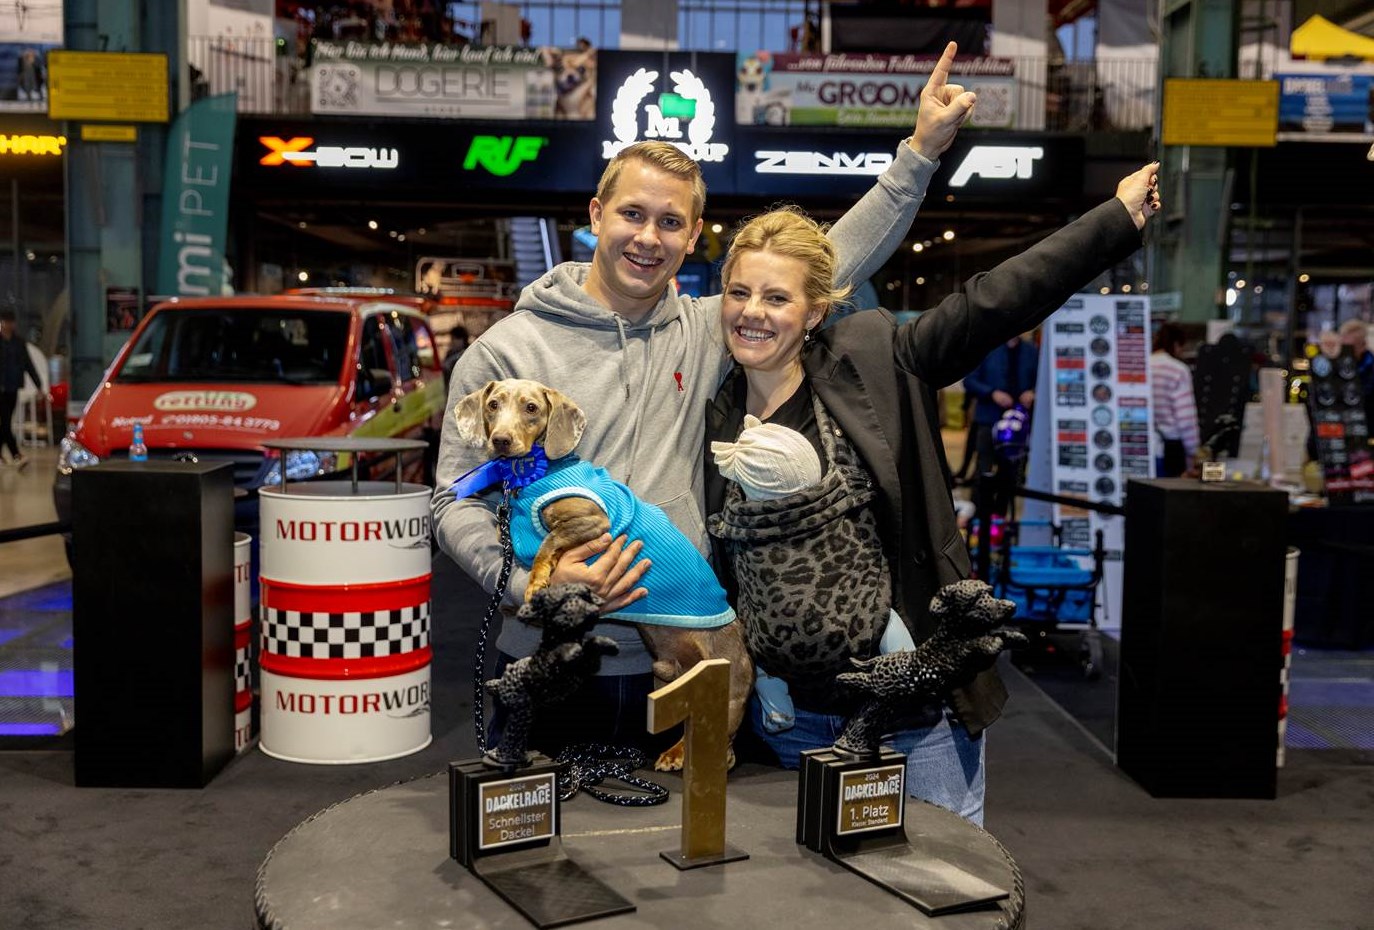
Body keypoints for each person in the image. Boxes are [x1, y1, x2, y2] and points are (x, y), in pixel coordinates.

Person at [433, 43, 978, 754]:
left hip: (686, 654)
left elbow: (823, 264)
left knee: (689, 827)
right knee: (537, 826)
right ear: (597, 214)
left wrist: (918, 156)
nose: (647, 238)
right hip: (549, 655)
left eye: (670, 222)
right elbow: (454, 501)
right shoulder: (505, 353)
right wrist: (526, 586)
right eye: (632, 214)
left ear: (692, 236)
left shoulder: (704, 331)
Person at [703, 164, 1161, 824]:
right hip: (787, 721)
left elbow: (993, 302)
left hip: (915, 713)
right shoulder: (717, 412)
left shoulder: (874, 358)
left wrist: (1112, 221)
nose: (753, 312)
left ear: (815, 310)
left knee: (945, 880)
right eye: (739, 292)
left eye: (777, 297)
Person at [962, 332, 1038, 511]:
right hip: (989, 419)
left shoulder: (1031, 351)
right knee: (984, 468)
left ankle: (1000, 516)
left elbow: (1041, 380)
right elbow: (969, 381)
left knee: (1011, 472)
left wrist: (1032, 392)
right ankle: (977, 515)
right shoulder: (986, 348)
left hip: (1018, 423)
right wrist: (992, 393)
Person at [1150, 322, 1200, 477]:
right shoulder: (1178, 370)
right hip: (1170, 450)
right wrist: (1194, 452)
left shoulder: (1142, 366)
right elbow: (1185, 418)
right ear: (1176, 344)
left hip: (1141, 446)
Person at [0, 308, 41, 470]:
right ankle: (16, 455)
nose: (8, 325)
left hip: (13, 386)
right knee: (5, 423)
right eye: (5, 322)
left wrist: (38, 385)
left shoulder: (18, 343)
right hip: (0, 388)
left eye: (10, 322)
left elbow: (28, 364)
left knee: (5, 422)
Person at [1339, 318, 1374, 429]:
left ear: (1363, 345)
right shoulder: (1338, 366)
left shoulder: (1370, 368)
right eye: (1343, 346)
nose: (1345, 351)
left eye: (1351, 347)